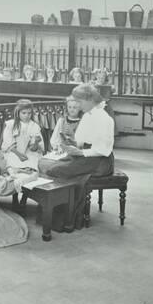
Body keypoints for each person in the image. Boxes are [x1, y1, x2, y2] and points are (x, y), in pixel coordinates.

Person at [38, 83, 115, 231]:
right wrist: (70, 143)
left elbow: (103, 150)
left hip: (100, 161)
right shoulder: (87, 115)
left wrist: (79, 152)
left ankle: (66, 218)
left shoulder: (105, 119)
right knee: (46, 164)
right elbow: (81, 141)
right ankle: (56, 212)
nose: (78, 106)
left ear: (89, 99)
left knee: (56, 171)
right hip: (86, 156)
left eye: (79, 102)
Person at [1, 99, 45, 170]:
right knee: (12, 163)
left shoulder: (34, 126)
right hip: (14, 152)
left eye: (29, 113)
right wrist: (19, 154)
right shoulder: (11, 124)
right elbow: (8, 143)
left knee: (31, 162)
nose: (27, 116)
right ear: (18, 113)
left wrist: (36, 142)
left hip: (29, 152)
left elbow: (33, 148)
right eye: (24, 113)